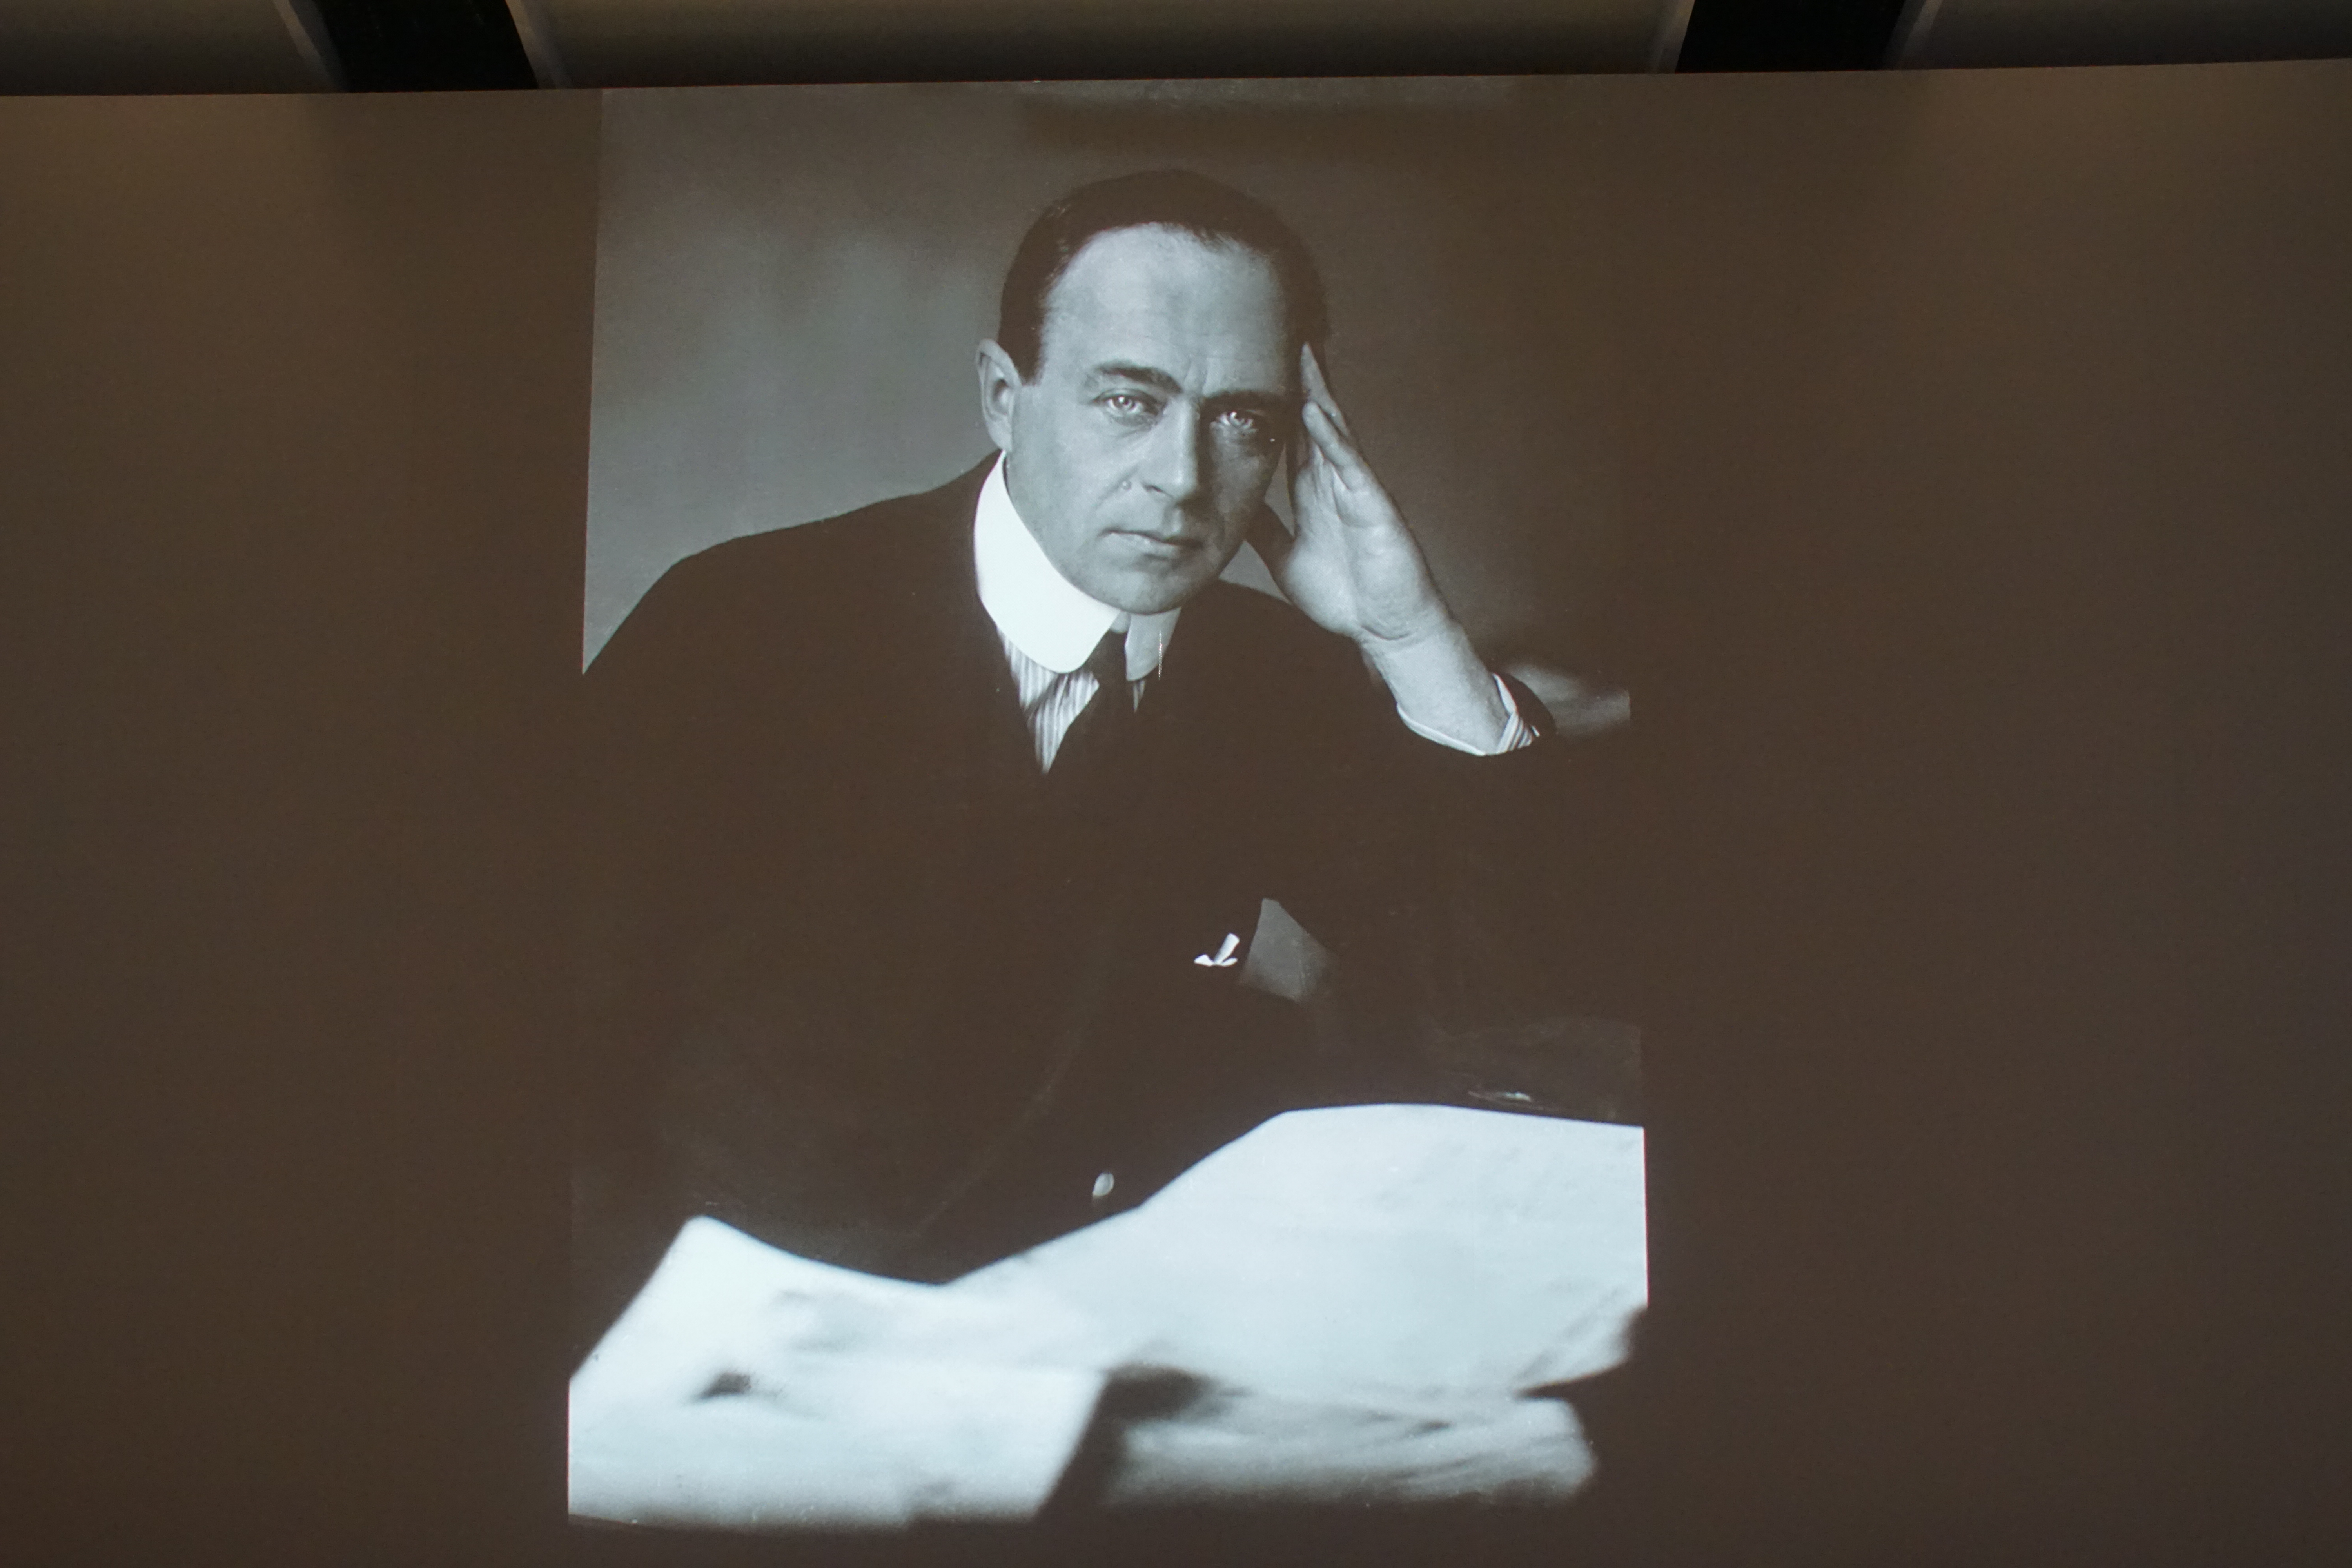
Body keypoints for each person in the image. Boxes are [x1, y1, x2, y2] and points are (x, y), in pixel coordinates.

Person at [573, 169, 1613, 1356]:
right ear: (1003, 399)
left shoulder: (1268, 676)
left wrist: (1410, 634)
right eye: (1129, 400)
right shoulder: (741, 627)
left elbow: (1516, 996)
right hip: (735, 1361)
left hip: (1098, 1351)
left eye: (1243, 421)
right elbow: (536, 1061)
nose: (1184, 479)